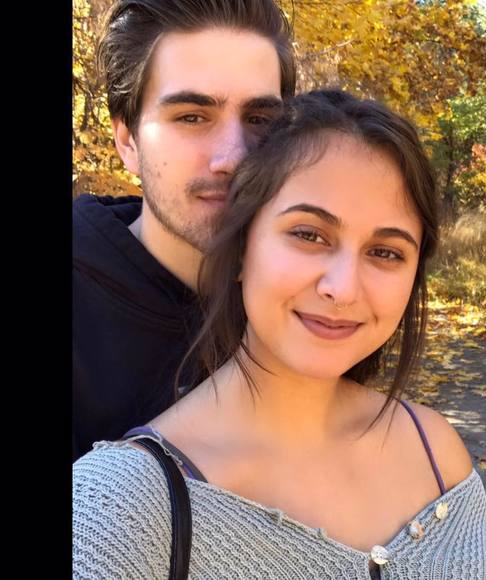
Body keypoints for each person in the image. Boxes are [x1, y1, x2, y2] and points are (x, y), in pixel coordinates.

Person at [73, 90, 486, 579]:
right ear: (241, 248)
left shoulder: (436, 453)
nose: (343, 289)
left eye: (385, 252)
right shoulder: (119, 509)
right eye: (309, 234)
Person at [73, 0, 296, 461]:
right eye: (191, 117)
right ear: (127, 141)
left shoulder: (310, 293)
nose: (233, 158)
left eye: (259, 120)